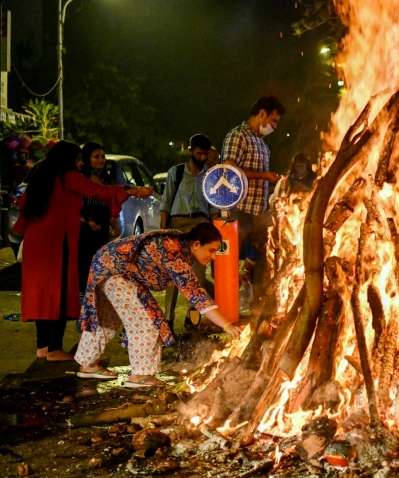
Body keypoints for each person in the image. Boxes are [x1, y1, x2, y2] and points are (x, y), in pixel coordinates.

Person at [11, 141, 152, 362]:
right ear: (67, 160)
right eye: (77, 159)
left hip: (36, 242)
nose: (80, 163)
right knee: (60, 292)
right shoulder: (69, 176)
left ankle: (43, 347)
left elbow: (24, 208)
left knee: (43, 294)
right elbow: (97, 191)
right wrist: (133, 190)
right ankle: (55, 349)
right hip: (58, 243)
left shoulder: (42, 175)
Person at [75, 224, 242, 387]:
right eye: (211, 251)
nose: (213, 257)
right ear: (197, 244)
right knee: (145, 319)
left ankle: (87, 365)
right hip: (115, 269)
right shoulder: (175, 252)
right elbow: (197, 295)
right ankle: (140, 376)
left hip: (107, 263)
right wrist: (227, 325)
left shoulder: (180, 245)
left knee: (107, 318)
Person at [221, 96, 285, 293]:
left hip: (259, 211)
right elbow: (228, 171)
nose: (274, 126)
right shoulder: (238, 136)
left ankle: (253, 293)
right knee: (229, 258)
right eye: (273, 121)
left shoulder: (263, 145)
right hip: (238, 209)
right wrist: (263, 176)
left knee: (268, 241)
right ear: (262, 114)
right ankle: (227, 302)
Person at [160, 134, 216, 329]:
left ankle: (192, 318)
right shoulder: (175, 173)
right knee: (173, 275)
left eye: (206, 154)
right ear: (190, 151)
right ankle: (168, 318)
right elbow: (166, 204)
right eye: (199, 153)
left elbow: (214, 208)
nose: (202, 157)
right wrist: (163, 232)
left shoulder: (210, 176)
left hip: (201, 224)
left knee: (198, 275)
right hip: (178, 224)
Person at [78, 142, 120, 298]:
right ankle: (82, 318)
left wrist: (114, 224)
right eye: (96, 156)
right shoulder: (80, 180)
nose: (101, 159)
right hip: (83, 237)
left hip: (102, 237)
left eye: (102, 156)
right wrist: (87, 221)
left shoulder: (107, 181)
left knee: (101, 274)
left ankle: (98, 315)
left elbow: (110, 207)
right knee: (84, 275)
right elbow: (73, 209)